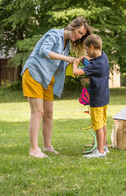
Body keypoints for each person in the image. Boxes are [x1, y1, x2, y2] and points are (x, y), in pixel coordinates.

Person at [22, 17, 93, 158]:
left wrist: (79, 61)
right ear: (72, 26)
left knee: (49, 113)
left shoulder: (66, 45)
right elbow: (44, 51)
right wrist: (67, 59)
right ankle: (34, 150)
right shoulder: (54, 34)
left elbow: (60, 64)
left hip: (48, 78)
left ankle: (47, 146)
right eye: (79, 32)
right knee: (38, 112)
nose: (79, 36)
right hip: (34, 73)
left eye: (81, 35)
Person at [73, 34, 110, 158]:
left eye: (86, 49)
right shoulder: (103, 57)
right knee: (103, 123)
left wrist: (76, 62)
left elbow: (76, 72)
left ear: (91, 47)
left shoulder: (95, 65)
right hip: (104, 97)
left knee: (97, 125)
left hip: (96, 98)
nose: (86, 51)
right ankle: (103, 147)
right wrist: (87, 57)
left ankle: (100, 152)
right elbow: (94, 59)